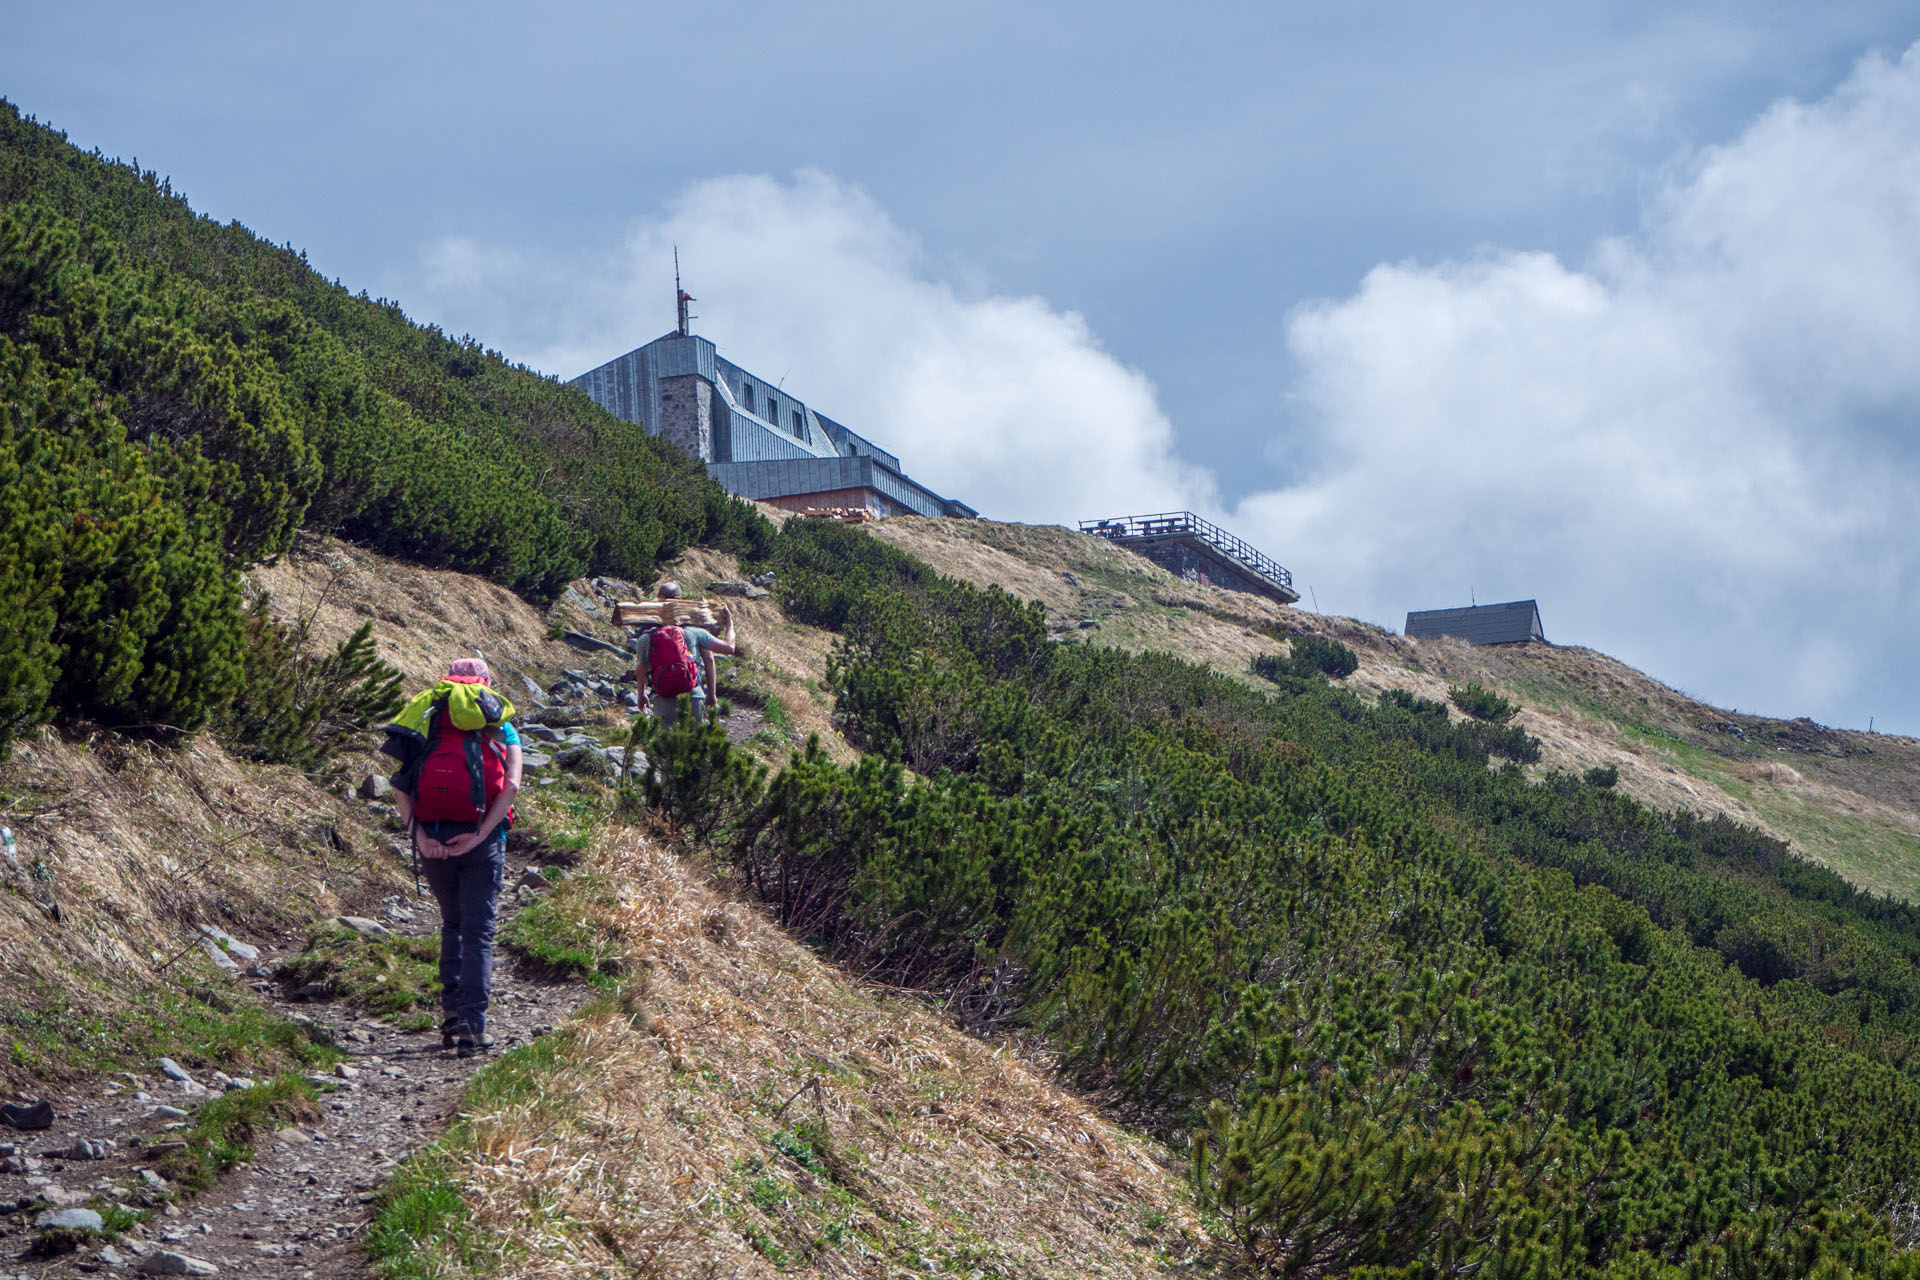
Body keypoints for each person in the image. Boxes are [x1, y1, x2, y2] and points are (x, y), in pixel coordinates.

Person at [382, 657, 522, 1058]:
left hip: (434, 836)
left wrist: (420, 836)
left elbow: (401, 787)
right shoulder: (501, 725)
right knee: (479, 932)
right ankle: (473, 1028)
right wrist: (480, 834)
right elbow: (510, 786)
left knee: (452, 924)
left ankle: (450, 1017)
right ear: (486, 686)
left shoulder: (426, 720)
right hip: (483, 835)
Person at [638, 581, 736, 728]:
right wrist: (729, 622)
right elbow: (726, 649)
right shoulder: (695, 632)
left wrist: (641, 694)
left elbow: (641, 670)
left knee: (664, 748)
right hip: (693, 696)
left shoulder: (647, 637)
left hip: (663, 698)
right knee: (694, 746)